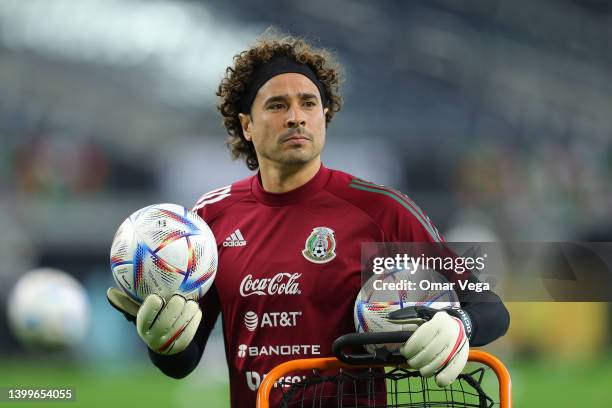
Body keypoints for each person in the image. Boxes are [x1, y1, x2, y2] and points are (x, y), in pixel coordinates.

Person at [107, 32, 510, 407]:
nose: (296, 117)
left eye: (309, 103)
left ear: (324, 116)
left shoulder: (382, 212)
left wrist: (461, 325)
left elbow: (490, 307)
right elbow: (186, 361)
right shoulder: (212, 219)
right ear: (246, 125)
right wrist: (165, 344)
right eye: (278, 105)